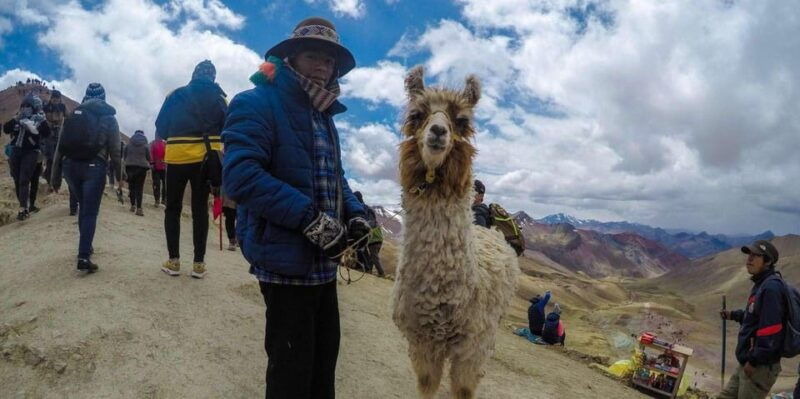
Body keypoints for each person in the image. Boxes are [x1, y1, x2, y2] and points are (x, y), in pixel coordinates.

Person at [222, 17, 369, 399]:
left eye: (329, 61)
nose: (323, 66)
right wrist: (311, 220)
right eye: (312, 56)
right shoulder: (255, 102)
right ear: (290, 58)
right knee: (290, 374)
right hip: (286, 265)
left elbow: (335, 178)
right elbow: (240, 176)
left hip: (323, 267)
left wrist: (355, 214)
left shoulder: (322, 115)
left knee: (323, 372)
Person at [155, 59, 227, 279]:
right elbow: (228, 129)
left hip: (176, 157)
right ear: (213, 77)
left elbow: (161, 127)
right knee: (199, 211)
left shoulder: (174, 95)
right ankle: (198, 264)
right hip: (205, 160)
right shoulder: (220, 98)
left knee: (173, 208)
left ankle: (174, 261)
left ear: (194, 74)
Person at [52, 83, 122, 272]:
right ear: (104, 97)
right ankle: (84, 256)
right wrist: (119, 178)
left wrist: (55, 177)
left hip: (70, 167)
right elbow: (115, 151)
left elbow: (60, 149)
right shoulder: (109, 118)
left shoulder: (73, 115)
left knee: (84, 207)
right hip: (94, 167)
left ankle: (86, 245)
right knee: (90, 212)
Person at [718, 240, 784, 399]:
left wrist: (753, 361)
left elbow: (771, 331)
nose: (749, 259)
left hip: (758, 367)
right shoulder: (761, 284)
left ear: (768, 261)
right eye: (749, 255)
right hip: (748, 361)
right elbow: (753, 317)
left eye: (756, 256)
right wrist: (732, 314)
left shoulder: (771, 288)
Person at [3, 95, 51, 220]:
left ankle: (24, 208)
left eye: (28, 106)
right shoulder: (18, 118)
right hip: (15, 151)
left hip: (31, 152)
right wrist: (16, 119)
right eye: (23, 106)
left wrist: (42, 122)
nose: (25, 108)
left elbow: (47, 133)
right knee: (16, 178)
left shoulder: (39, 119)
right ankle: (24, 204)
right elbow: (6, 129)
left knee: (25, 179)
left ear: (34, 107)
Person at [354, 191, 384, 276]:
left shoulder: (364, 209)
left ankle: (380, 273)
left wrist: (363, 225)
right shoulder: (362, 208)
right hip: (374, 238)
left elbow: (372, 222)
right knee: (371, 256)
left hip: (374, 238)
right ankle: (368, 271)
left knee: (373, 256)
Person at [123, 130, 150, 216]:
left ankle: (132, 206)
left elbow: (125, 155)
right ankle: (139, 209)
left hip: (130, 167)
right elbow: (149, 157)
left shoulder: (128, 144)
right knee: (140, 188)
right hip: (142, 168)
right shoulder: (146, 145)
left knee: (131, 187)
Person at [43, 90, 67, 185]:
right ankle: (49, 180)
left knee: (59, 158)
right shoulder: (45, 107)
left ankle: (57, 182)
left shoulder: (63, 107)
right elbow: (42, 119)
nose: (55, 100)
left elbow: (69, 117)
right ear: (51, 98)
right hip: (48, 136)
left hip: (60, 135)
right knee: (50, 158)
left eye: (57, 99)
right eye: (54, 98)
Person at [149, 135, 167, 207]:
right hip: (155, 167)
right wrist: (152, 163)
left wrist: (166, 162)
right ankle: (157, 200)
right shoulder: (153, 143)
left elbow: (167, 153)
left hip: (163, 167)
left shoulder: (164, 144)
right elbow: (151, 153)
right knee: (156, 184)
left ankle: (164, 199)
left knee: (165, 184)